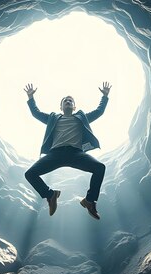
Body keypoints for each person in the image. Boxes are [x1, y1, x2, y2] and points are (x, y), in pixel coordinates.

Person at [23, 82, 111, 220]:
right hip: (55, 154)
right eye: (65, 101)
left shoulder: (81, 117)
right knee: (30, 174)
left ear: (74, 106)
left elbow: (99, 111)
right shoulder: (53, 118)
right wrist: (30, 97)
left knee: (100, 168)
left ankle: (89, 201)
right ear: (61, 107)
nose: (68, 102)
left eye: (71, 101)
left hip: (76, 153)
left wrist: (105, 96)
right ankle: (50, 195)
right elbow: (36, 113)